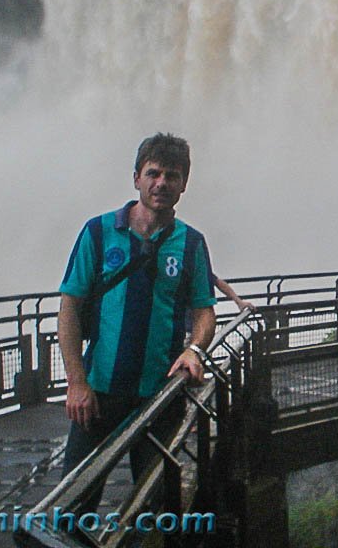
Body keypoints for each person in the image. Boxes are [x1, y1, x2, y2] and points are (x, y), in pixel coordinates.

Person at [56, 133, 217, 511]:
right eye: (153, 173)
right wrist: (77, 383)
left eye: (172, 176)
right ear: (136, 178)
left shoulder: (191, 243)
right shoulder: (98, 232)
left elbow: (204, 310)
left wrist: (195, 349)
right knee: (74, 502)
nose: (161, 183)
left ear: (183, 184)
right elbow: (68, 309)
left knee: (158, 505)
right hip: (97, 394)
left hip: (159, 396)